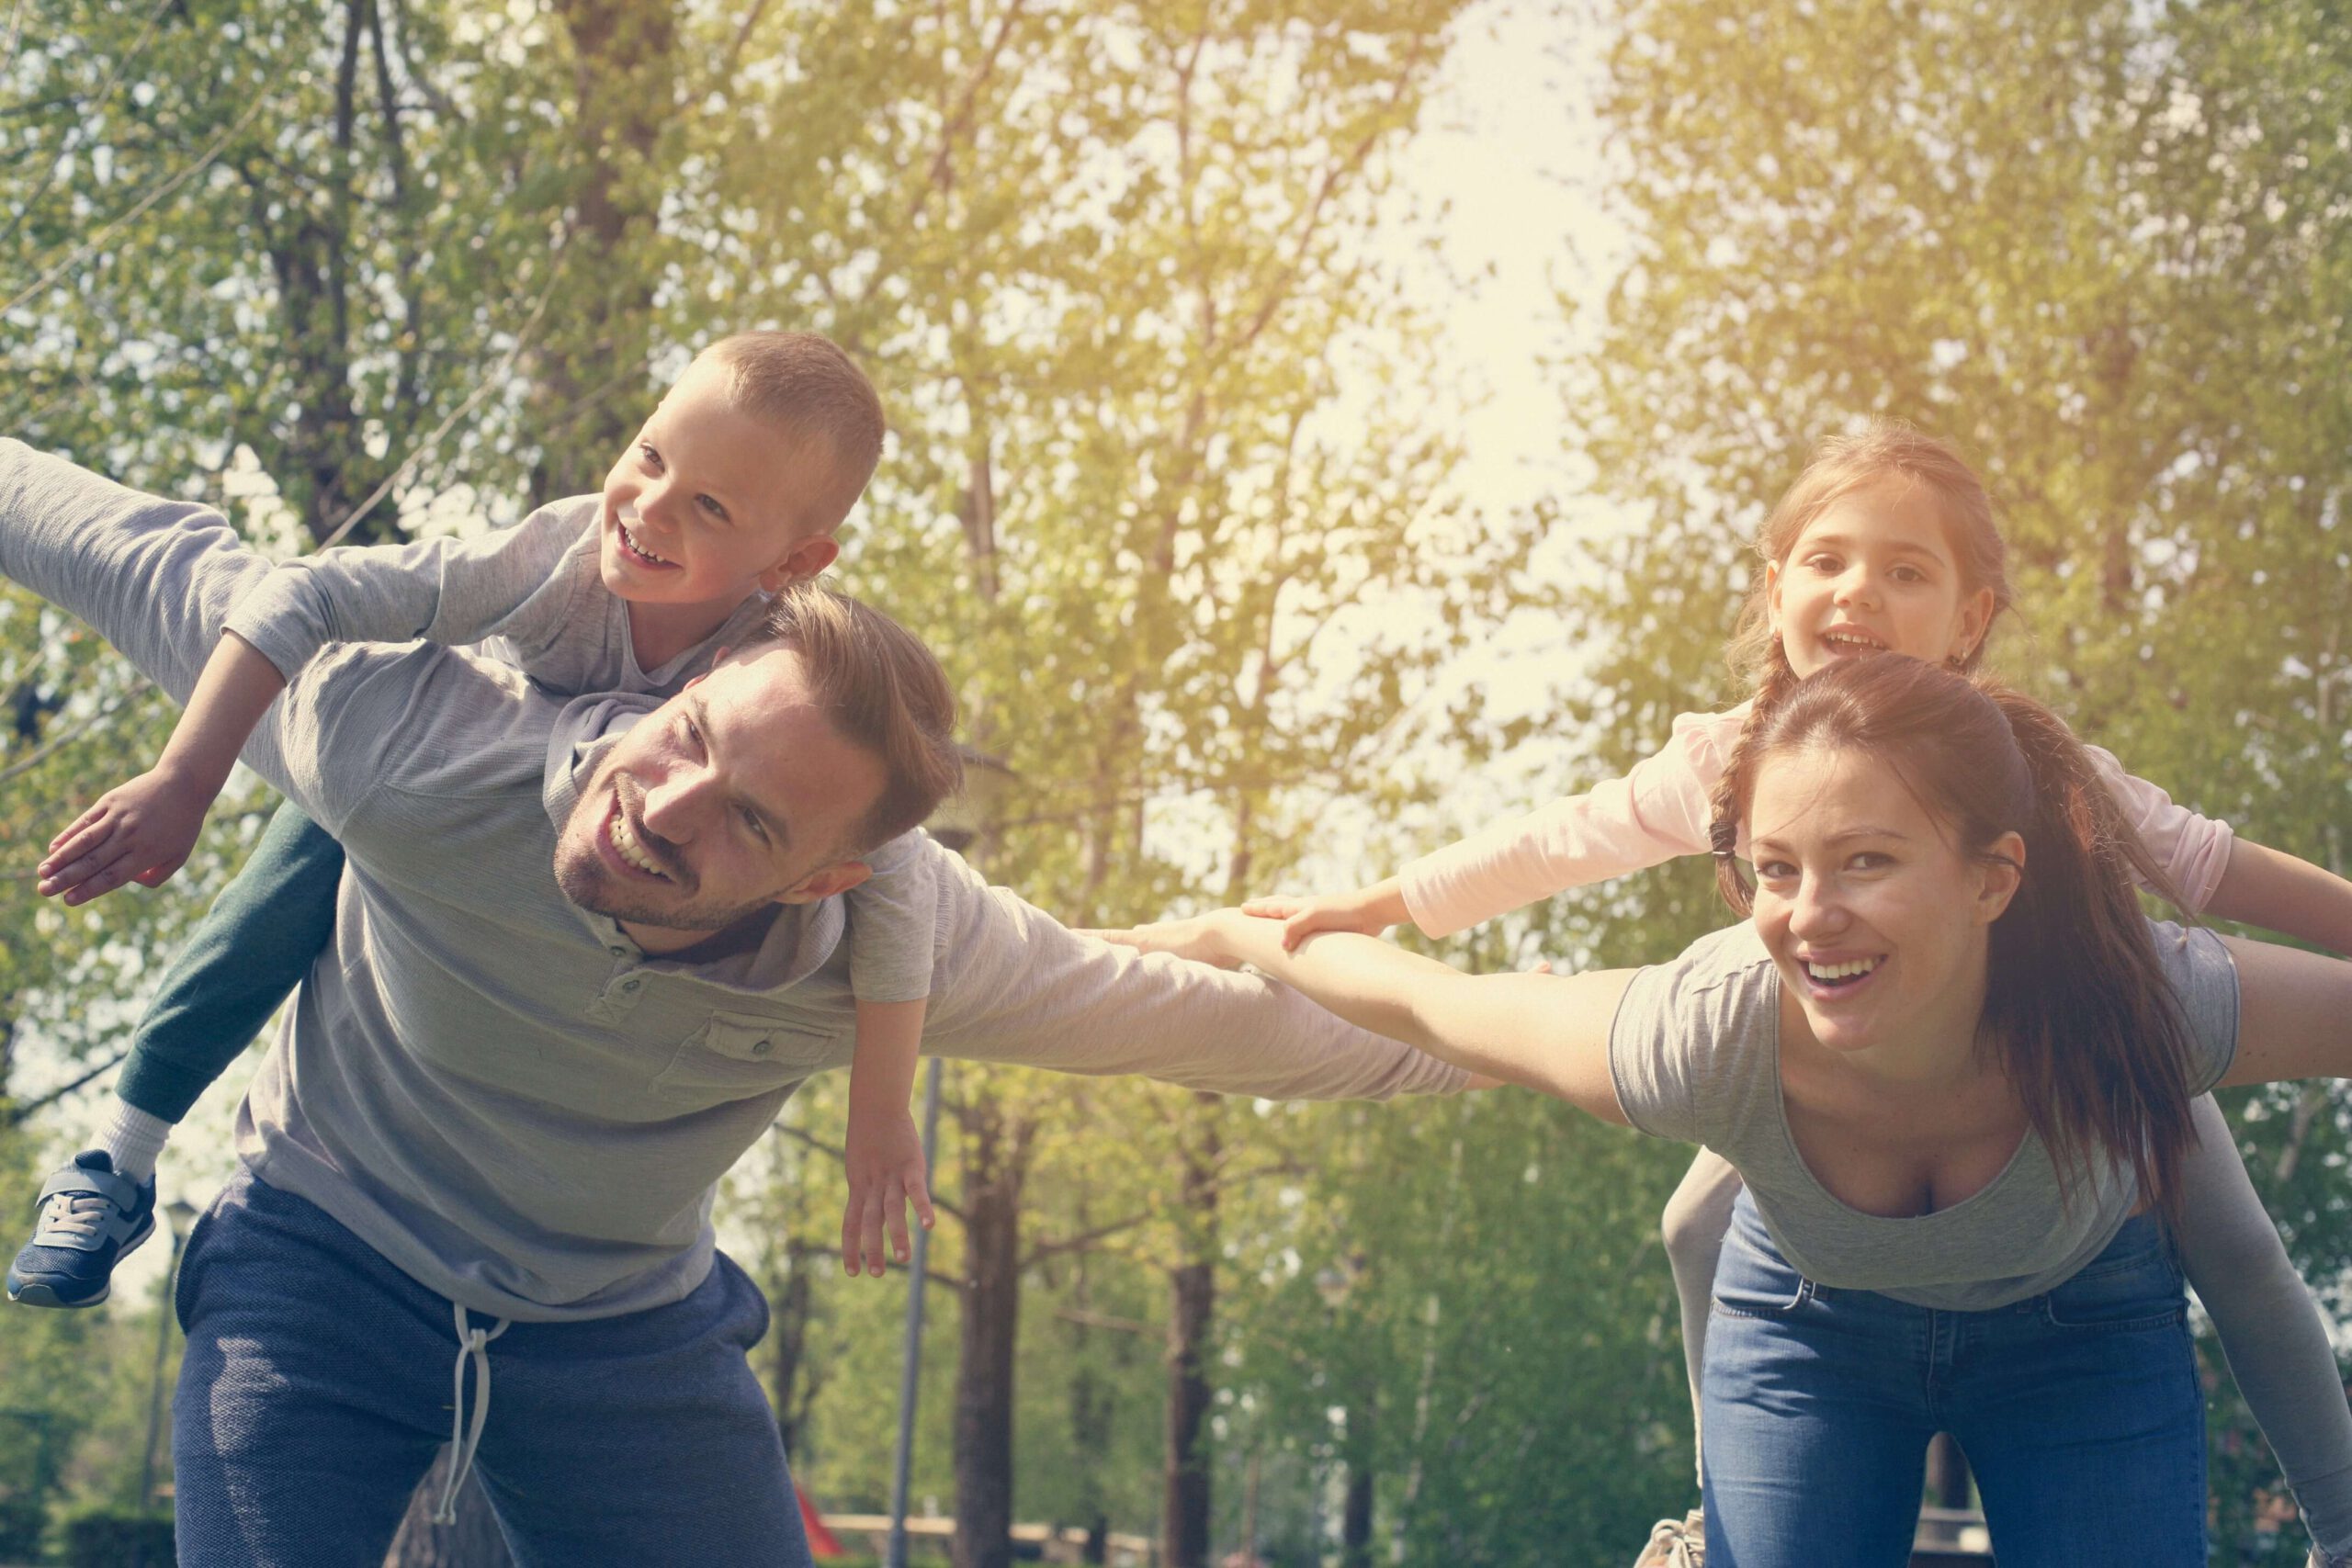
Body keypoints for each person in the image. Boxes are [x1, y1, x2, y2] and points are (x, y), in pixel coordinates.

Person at [0, 439, 1470, 1567]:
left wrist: (1548, 1050)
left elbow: (1210, 1022)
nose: (665, 806)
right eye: (689, 735)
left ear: (826, 877)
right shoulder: (414, 742)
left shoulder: (893, 952)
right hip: (328, 1254)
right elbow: (136, 550)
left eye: (751, 822)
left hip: (615, 1333)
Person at [1246, 423, 2352, 1563]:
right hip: (1832, 1072)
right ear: (1774, 590)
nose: (1857, 592)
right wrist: (1388, 903)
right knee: (1691, 1222)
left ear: (1968, 620)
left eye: (1905, 571)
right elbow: (1559, 840)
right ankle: (1712, 1504)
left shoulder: (2031, 767)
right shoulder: (1728, 760)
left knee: (2235, 1247)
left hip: (2080, 1048)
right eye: (1827, 561)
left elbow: (2212, 864)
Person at [9, 331, 940, 1313]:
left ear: (795, 562)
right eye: (649, 455)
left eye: (710, 506)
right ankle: (117, 1158)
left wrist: (879, 1113)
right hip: (445, 793)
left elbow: (894, 863)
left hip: (593, 867)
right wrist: (184, 777)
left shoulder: (778, 666)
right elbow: (309, 590)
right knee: (288, 876)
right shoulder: (554, 561)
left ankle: (654, 1280)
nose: (650, 508)